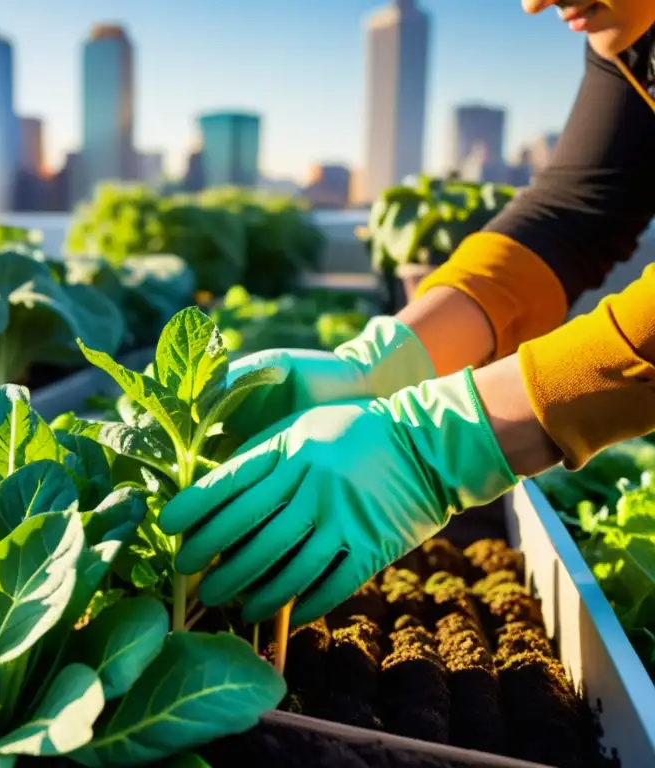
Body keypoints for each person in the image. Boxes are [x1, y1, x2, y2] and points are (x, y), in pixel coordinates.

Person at [160, 0, 655, 628]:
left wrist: (436, 445)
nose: (533, 4)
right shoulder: (631, 35)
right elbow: (578, 212)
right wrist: (383, 364)